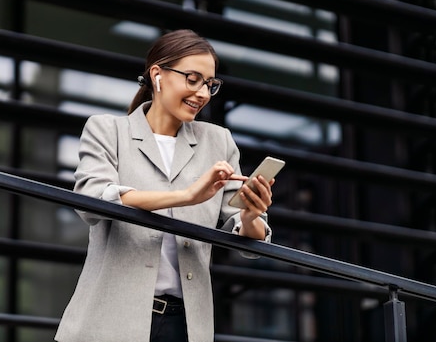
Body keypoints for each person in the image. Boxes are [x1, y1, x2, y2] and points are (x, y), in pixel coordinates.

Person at [54, 29, 274, 342]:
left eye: (210, 84)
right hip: (109, 319)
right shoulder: (108, 131)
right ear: (157, 74)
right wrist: (186, 196)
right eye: (193, 78)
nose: (203, 93)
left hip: (183, 324)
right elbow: (91, 201)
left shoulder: (218, 141)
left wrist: (252, 215)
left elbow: (242, 234)